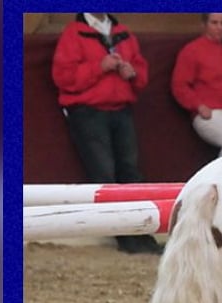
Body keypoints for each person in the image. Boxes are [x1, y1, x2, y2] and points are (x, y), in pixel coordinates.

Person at [52, 13, 161, 254]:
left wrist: (132, 73)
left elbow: (141, 74)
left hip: (121, 109)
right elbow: (63, 77)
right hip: (89, 113)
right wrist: (99, 67)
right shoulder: (73, 33)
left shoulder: (122, 31)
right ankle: (126, 237)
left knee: (131, 174)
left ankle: (142, 234)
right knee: (106, 176)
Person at [171, 13, 222, 157]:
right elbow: (179, 85)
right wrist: (198, 105)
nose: (219, 27)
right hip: (211, 112)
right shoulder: (192, 50)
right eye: (214, 23)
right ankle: (217, 178)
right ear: (204, 25)